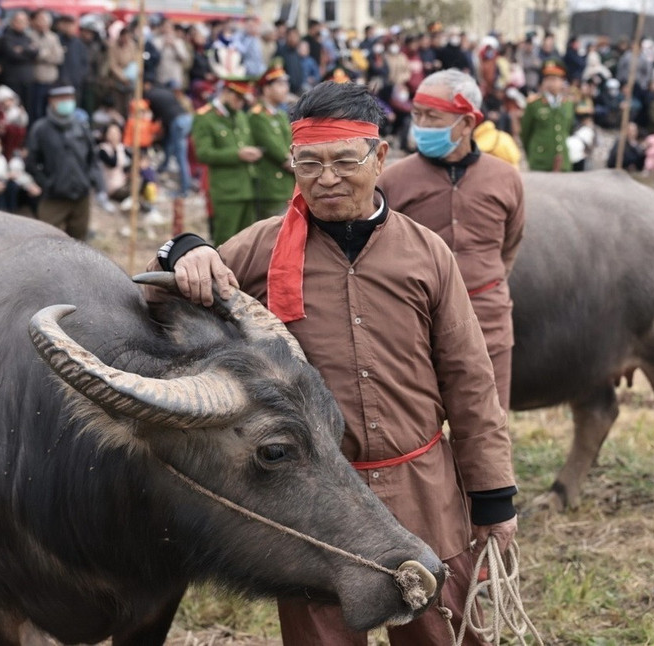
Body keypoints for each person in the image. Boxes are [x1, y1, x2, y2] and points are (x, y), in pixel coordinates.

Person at [149, 80, 517, 646]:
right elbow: (166, 295)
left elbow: (471, 382)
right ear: (292, 162)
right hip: (318, 505)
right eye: (309, 163)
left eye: (345, 161)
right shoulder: (262, 248)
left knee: (443, 631)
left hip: (422, 488)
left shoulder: (426, 254)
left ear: (379, 158)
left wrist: (493, 496)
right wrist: (185, 248)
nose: (326, 179)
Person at [377, 69, 525, 412]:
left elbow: (511, 243)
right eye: (417, 115)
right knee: (416, 426)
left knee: (489, 424)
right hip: (414, 328)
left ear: (467, 123)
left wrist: (480, 284)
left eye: (433, 116)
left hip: (489, 322)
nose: (421, 125)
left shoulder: (505, 178)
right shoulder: (392, 180)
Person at [25, 85, 104, 240]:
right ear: (51, 101)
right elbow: (31, 163)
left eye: (69, 98)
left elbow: (92, 157)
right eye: (61, 99)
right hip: (54, 197)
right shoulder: (41, 129)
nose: (66, 102)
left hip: (81, 197)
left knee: (79, 243)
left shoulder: (81, 126)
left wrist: (91, 181)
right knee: (45, 241)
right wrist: (47, 183)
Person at [191, 78, 262, 245]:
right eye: (238, 97)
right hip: (226, 191)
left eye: (244, 99)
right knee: (225, 244)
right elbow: (203, 153)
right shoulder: (206, 117)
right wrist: (237, 154)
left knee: (247, 244)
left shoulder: (241, 116)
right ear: (226, 93)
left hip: (247, 189)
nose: (241, 103)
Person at [248, 62, 294, 218]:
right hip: (271, 187)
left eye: (286, 84)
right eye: (280, 84)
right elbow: (276, 150)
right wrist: (296, 163)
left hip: (287, 186)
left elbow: (291, 142)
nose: (286, 89)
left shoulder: (280, 114)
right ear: (266, 89)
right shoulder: (257, 115)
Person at [521, 58, 574, 171]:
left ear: (562, 82)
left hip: (562, 162)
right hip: (540, 161)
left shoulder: (568, 104)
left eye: (555, 79)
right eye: (548, 79)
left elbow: (568, 129)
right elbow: (525, 133)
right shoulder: (534, 104)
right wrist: (532, 153)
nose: (551, 83)